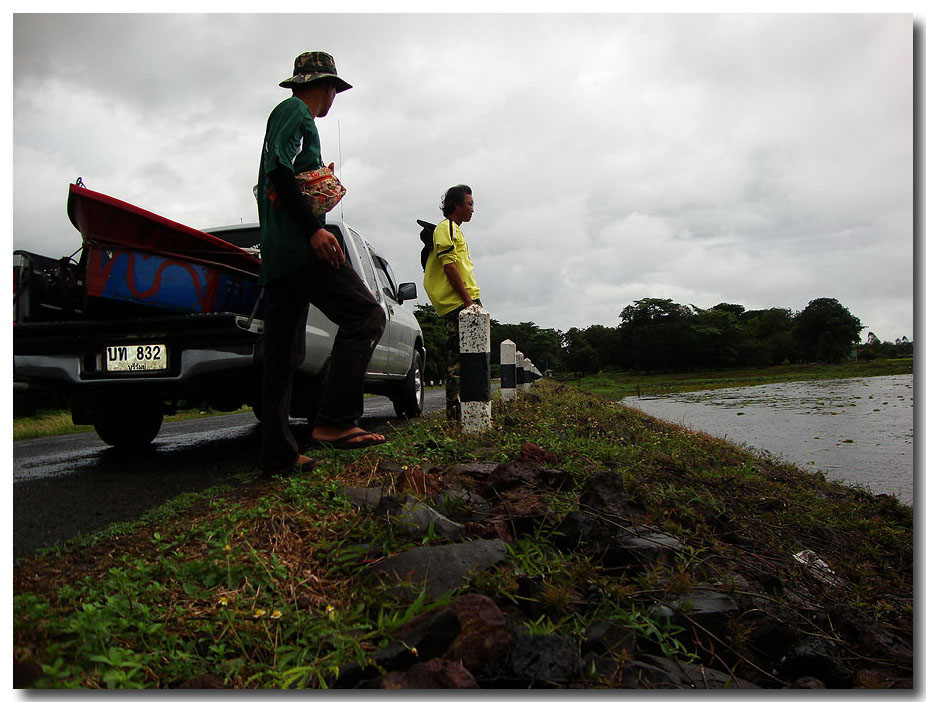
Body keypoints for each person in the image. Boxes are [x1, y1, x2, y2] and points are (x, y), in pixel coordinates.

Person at [256, 51, 386, 474]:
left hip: (279, 255)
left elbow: (285, 174)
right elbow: (277, 172)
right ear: (326, 86)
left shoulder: (291, 117)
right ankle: (334, 421)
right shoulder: (295, 111)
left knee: (282, 355)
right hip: (299, 249)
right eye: (334, 90)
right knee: (366, 315)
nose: (333, 99)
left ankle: (280, 453)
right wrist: (314, 229)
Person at [422, 184, 482, 421]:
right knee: (458, 362)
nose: (472, 210)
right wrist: (468, 303)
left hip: (467, 301)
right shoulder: (445, 229)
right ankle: (456, 416)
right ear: (456, 205)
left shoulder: (456, 230)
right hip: (459, 303)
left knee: (474, 358)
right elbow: (449, 267)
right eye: (469, 204)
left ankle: (474, 411)